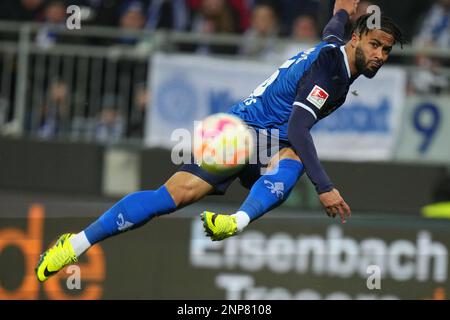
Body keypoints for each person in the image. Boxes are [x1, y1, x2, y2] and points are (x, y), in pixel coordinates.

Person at [35, 0, 406, 282]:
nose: (379, 56)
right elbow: (296, 130)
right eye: (375, 45)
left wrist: (346, 6)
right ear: (357, 39)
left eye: (386, 51)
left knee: (170, 197)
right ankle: (239, 221)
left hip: (238, 129)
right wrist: (324, 187)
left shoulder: (335, 44)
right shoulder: (330, 73)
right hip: (247, 139)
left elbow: (338, 15)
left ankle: (74, 245)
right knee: (293, 155)